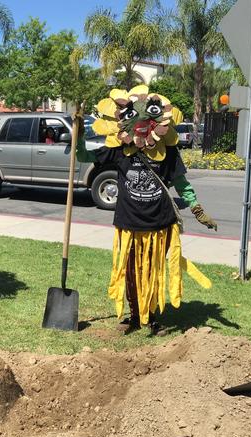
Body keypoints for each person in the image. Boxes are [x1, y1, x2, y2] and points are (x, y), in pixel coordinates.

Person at [75, 85, 217, 335]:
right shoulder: (119, 150)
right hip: (129, 224)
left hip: (159, 225)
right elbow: (87, 156)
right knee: (130, 273)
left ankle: (151, 317)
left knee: (152, 273)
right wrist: (77, 135)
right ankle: (133, 316)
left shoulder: (168, 152)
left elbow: (182, 184)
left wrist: (196, 208)